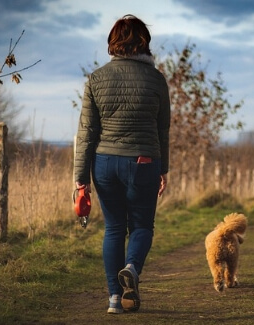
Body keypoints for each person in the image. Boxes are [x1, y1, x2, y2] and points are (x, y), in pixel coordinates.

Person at [74, 14, 170, 314]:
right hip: (143, 161)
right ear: (144, 44)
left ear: (113, 43)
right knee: (142, 225)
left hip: (104, 164)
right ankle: (131, 267)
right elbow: (162, 128)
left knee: (114, 228)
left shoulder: (96, 79)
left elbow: (86, 131)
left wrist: (80, 177)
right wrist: (163, 168)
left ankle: (115, 298)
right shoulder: (156, 79)